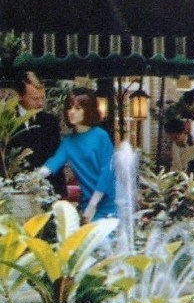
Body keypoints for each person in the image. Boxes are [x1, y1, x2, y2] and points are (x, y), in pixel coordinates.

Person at [38, 88, 116, 222]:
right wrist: (31, 179)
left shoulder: (101, 136)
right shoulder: (68, 142)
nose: (72, 112)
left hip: (108, 202)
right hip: (87, 203)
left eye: (78, 108)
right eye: (69, 107)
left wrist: (93, 205)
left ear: (89, 110)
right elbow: (53, 163)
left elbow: (107, 172)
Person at [10, 71, 67, 198]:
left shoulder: (50, 121)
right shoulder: (6, 121)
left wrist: (61, 195)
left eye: (43, 97)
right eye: (35, 98)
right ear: (19, 95)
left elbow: (56, 159)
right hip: (14, 193)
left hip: (47, 192)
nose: (41, 103)